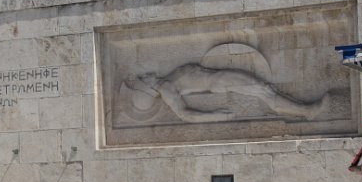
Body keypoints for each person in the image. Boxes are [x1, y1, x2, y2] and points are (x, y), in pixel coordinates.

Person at [125, 63, 330, 123]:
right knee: (264, 91)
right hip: (219, 81)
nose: (146, 74)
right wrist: (214, 116)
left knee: (265, 90)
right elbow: (185, 114)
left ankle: (304, 110)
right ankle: (306, 111)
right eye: (144, 79)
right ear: (149, 88)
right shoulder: (166, 89)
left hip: (220, 76)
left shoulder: (166, 78)